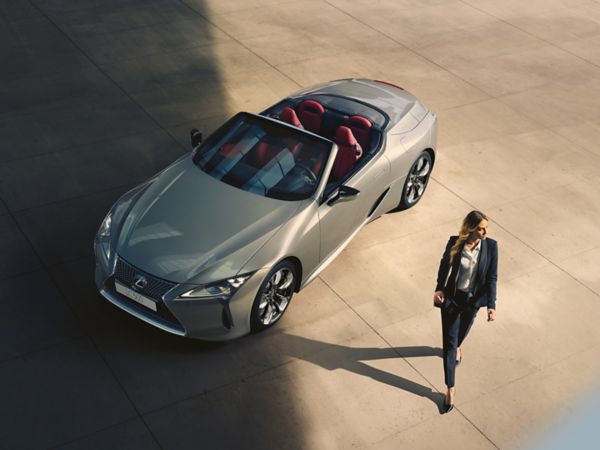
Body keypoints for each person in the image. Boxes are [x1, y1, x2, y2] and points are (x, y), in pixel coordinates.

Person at [433, 210, 498, 413]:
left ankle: (458, 346)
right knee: (449, 345)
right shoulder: (455, 243)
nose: (483, 233)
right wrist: (439, 288)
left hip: (473, 302)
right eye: (479, 229)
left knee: (460, 337)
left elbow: (492, 278)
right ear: (470, 228)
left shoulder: (491, 247)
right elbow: (444, 266)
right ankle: (450, 388)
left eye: (485, 228)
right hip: (452, 300)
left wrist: (491, 305)